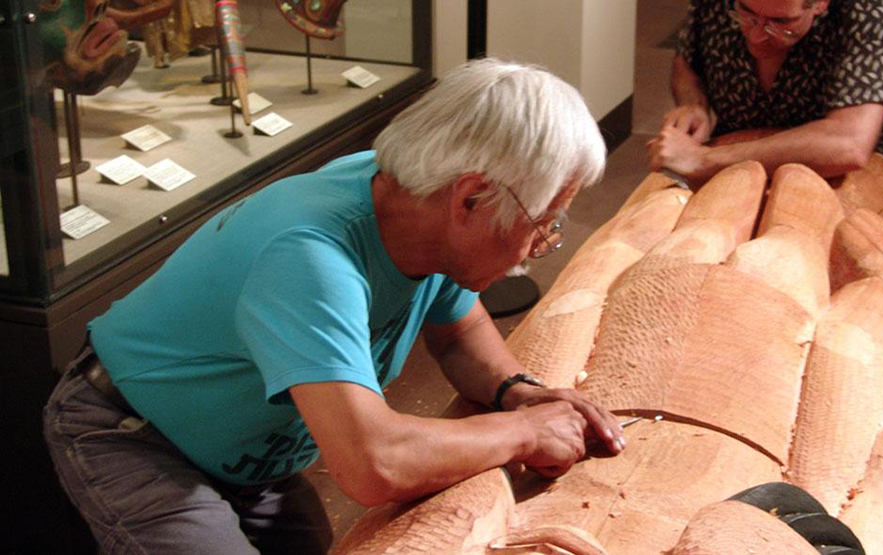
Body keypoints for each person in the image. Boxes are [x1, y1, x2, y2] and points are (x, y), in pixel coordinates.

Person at [43, 58, 625, 555]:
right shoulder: (310, 254)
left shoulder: (414, 205)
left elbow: (457, 327)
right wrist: (523, 431)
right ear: (470, 197)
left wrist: (516, 390)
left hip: (254, 454)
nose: (538, 247)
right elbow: (374, 464)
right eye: (543, 222)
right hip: (136, 433)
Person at [647, 0, 883, 184]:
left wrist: (704, 159)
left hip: (843, 173)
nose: (757, 36)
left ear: (821, 4)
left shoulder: (867, 6)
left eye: (781, 22)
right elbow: (687, 59)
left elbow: (848, 144)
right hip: (735, 150)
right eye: (746, 12)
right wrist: (694, 104)